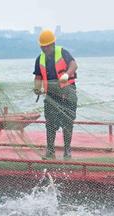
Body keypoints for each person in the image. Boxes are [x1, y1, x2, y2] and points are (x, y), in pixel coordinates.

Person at [33, 29, 77, 160]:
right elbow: (38, 76)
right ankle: (50, 150)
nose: (45, 48)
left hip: (67, 93)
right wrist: (37, 88)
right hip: (51, 95)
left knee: (68, 122)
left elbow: (74, 65)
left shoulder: (62, 52)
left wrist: (66, 75)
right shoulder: (39, 59)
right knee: (50, 123)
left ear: (53, 44)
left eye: (47, 45)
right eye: (42, 46)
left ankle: (67, 150)